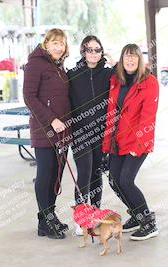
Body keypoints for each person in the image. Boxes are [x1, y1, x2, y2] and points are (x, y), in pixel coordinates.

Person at [102, 44, 160, 241]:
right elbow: (111, 114)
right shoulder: (116, 81)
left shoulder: (149, 82)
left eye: (134, 56)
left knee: (126, 180)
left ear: (140, 59)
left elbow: (148, 118)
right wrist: (107, 146)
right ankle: (135, 214)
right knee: (113, 180)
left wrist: (140, 145)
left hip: (138, 141)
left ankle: (148, 223)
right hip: (118, 140)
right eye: (127, 56)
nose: (130, 60)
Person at [23, 28, 71, 239]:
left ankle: (48, 218)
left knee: (56, 174)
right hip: (45, 129)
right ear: (46, 44)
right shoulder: (35, 63)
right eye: (54, 43)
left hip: (63, 130)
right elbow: (29, 97)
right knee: (46, 173)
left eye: (61, 43)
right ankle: (46, 218)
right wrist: (51, 119)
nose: (58, 47)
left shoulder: (59, 66)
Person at [67, 35, 116, 235]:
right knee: (85, 172)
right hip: (80, 132)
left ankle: (95, 213)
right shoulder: (73, 74)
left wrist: (114, 61)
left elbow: (132, 75)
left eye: (97, 50)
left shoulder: (109, 73)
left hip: (101, 132)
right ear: (83, 51)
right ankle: (81, 218)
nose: (94, 53)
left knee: (97, 173)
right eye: (90, 49)